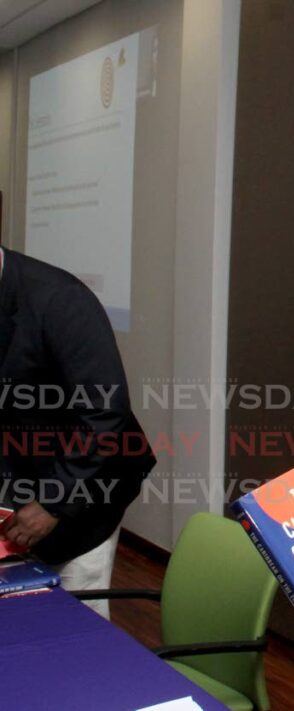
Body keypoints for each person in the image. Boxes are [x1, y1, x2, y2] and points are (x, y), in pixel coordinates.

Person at [0, 246, 155, 616]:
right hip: (22, 472)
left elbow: (104, 411)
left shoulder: (59, 299)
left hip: (88, 484)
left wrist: (53, 501)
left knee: (75, 616)